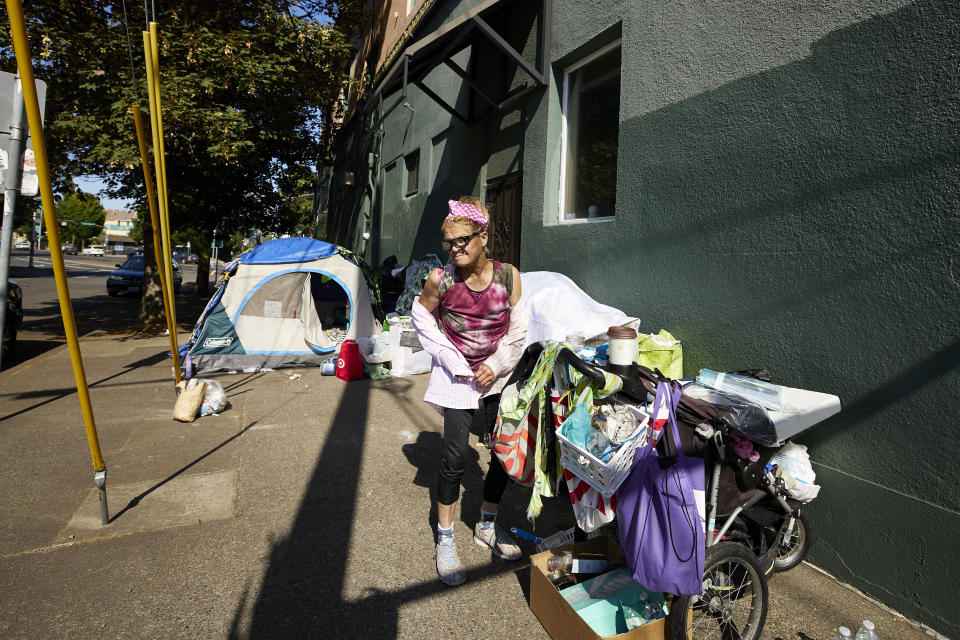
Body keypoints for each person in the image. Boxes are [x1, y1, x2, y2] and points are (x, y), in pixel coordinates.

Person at [411, 196, 528, 586]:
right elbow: (420, 316)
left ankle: (488, 525)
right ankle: (445, 539)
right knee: (455, 455)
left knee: (503, 454)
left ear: (483, 236)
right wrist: (448, 356)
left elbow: (518, 331)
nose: (455, 249)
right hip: (457, 377)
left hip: (497, 373)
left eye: (463, 240)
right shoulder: (440, 280)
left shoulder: (508, 277)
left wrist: (495, 366)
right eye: (449, 242)